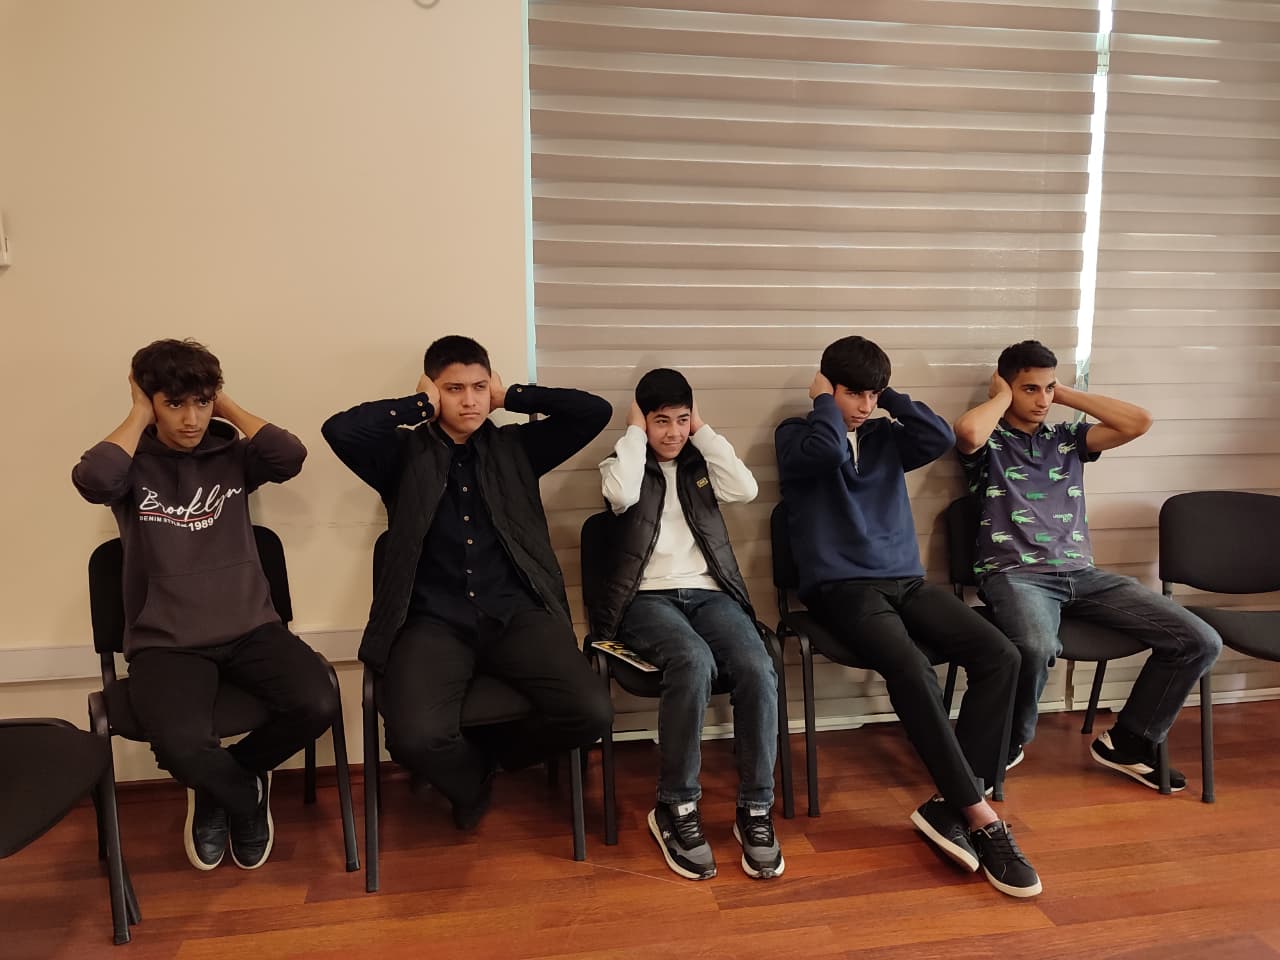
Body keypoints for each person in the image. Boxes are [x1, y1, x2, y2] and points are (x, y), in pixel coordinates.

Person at [775, 335, 1040, 898]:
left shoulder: (886, 437)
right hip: (842, 590)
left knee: (1002, 655)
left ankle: (951, 800)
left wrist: (888, 394)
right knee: (912, 667)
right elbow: (825, 454)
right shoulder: (798, 435)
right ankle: (981, 817)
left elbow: (939, 436)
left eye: (873, 395)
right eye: (854, 394)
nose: (865, 406)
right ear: (827, 387)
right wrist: (824, 403)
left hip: (906, 581)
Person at [322, 335, 614, 830]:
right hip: (433, 619)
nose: (470, 400)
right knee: (413, 738)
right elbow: (339, 430)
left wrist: (512, 396)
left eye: (479, 387)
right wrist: (418, 406)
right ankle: (470, 780)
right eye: (454, 389)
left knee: (591, 712)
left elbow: (594, 412)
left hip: (515, 612)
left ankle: (494, 757)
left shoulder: (517, 448)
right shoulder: (401, 454)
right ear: (432, 390)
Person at [72, 338, 336, 872]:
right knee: (179, 745)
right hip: (167, 642)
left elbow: (289, 456)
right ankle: (239, 795)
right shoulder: (130, 468)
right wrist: (139, 412)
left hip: (251, 627)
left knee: (318, 702)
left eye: (201, 402)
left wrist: (225, 403)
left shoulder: (233, 457)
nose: (191, 419)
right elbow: (92, 480)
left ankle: (225, 780)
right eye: (174, 404)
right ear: (151, 402)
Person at [953, 339, 1221, 791]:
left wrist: (1062, 392)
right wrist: (1000, 396)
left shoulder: (1067, 439)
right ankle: (1008, 740)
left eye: (1048, 388)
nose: (1042, 400)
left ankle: (1129, 741)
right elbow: (968, 432)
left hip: (1083, 574)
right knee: (1036, 646)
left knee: (1199, 639)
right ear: (1006, 388)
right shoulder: (991, 442)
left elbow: (1138, 422)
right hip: (1016, 575)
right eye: (1030, 389)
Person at [595, 368, 782, 880]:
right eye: (662, 421)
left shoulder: (701, 466)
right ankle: (675, 805)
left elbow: (745, 489)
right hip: (644, 599)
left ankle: (756, 808)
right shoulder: (621, 463)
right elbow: (621, 496)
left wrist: (702, 430)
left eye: (681, 420)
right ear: (643, 421)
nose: (673, 432)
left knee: (756, 665)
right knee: (693, 661)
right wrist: (634, 433)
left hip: (709, 594)